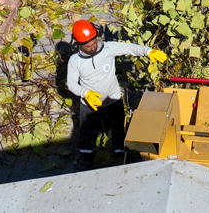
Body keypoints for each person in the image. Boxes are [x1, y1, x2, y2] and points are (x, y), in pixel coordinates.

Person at [66, 19, 167, 169]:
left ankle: (121, 154)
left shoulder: (108, 49)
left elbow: (128, 48)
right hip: (89, 105)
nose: (93, 47)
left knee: (117, 130)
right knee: (88, 134)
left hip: (113, 100)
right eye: (88, 46)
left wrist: (148, 51)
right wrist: (85, 93)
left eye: (94, 42)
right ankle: (86, 158)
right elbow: (72, 84)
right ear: (79, 44)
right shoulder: (75, 61)